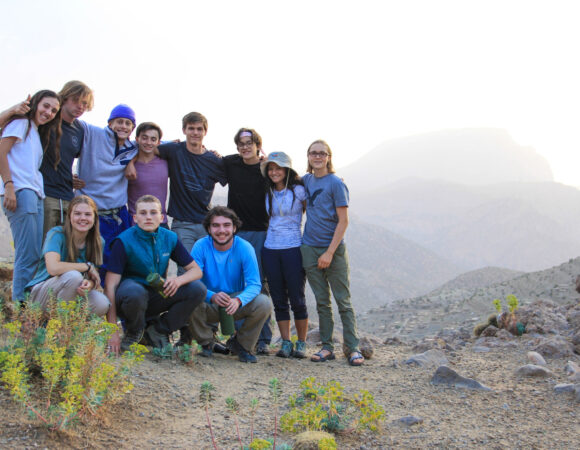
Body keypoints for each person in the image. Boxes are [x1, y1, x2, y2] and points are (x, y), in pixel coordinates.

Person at [104, 195, 206, 354]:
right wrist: (112, 330)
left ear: (162, 217)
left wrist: (178, 281)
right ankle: (134, 332)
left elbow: (196, 271)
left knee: (197, 289)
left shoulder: (170, 238)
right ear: (135, 218)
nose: (148, 217)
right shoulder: (123, 241)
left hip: (155, 295)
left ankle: (159, 329)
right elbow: (110, 286)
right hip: (129, 298)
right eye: (143, 213)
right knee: (135, 292)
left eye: (153, 213)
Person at [301, 140, 364, 366]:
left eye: (322, 153)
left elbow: (343, 221)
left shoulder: (336, 183)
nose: (317, 156)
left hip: (333, 250)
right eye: (313, 153)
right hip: (309, 247)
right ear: (308, 156)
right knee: (321, 302)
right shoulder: (306, 180)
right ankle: (327, 347)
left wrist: (329, 252)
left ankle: (353, 348)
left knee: (342, 301)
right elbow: (281, 174)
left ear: (329, 157)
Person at [187, 206, 272, 363]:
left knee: (264, 303)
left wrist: (238, 300)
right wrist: (211, 296)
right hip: (208, 302)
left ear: (234, 228)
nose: (221, 230)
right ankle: (207, 343)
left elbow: (254, 284)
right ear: (208, 228)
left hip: (234, 303)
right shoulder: (200, 246)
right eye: (216, 225)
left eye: (226, 225)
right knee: (188, 295)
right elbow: (193, 280)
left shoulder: (244, 247)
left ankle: (242, 345)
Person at [0, 90, 61, 302]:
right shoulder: (21, 124)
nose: (49, 112)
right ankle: (21, 309)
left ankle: (28, 306)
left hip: (35, 194)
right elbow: (1, 152)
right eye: (46, 106)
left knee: (35, 254)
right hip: (20, 192)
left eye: (54, 110)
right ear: (35, 103)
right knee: (26, 255)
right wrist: (9, 185)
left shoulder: (35, 131)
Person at [224, 128, 272, 354]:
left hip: (261, 232)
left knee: (259, 283)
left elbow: (293, 180)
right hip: (236, 233)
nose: (245, 147)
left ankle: (263, 338)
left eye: (249, 143)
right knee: (236, 283)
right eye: (241, 143)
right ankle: (240, 337)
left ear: (257, 145)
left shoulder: (267, 168)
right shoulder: (231, 164)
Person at [76, 104, 138, 277]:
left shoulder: (133, 148)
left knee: (117, 261)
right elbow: (68, 122)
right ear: (110, 123)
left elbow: (156, 143)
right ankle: (91, 301)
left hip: (118, 215)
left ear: (132, 128)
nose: (123, 126)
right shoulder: (92, 133)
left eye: (128, 123)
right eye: (119, 122)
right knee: (91, 261)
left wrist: (132, 162)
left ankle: (112, 300)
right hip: (92, 214)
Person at [26, 195, 108, 315]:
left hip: (71, 294)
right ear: (69, 216)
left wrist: (89, 285)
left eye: (88, 214)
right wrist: (86, 266)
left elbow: (93, 276)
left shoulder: (98, 242)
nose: (82, 218)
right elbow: (53, 268)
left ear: (95, 218)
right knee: (74, 276)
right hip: (42, 295)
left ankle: (70, 327)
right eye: (77, 213)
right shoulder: (56, 234)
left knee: (101, 303)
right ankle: (57, 329)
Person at [260, 152, 308, 358]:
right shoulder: (268, 192)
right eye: (270, 169)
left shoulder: (299, 191)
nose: (274, 172)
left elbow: (312, 209)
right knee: (278, 297)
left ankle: (302, 343)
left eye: (278, 168)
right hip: (271, 249)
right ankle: (286, 341)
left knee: (297, 297)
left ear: (287, 169)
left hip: (293, 248)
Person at [40, 81, 93, 236]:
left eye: (84, 103)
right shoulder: (47, 120)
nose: (80, 106)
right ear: (64, 98)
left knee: (65, 249)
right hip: (45, 194)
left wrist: (71, 177)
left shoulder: (80, 130)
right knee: (44, 248)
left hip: (68, 197)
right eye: (76, 100)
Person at [127, 122, 168, 228]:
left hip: (160, 223)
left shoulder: (166, 162)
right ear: (137, 139)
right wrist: (130, 162)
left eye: (153, 139)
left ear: (159, 142)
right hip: (135, 224)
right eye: (144, 138)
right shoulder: (128, 165)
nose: (148, 142)